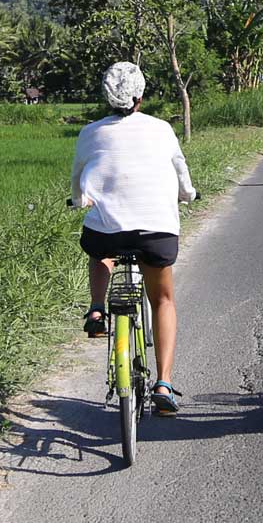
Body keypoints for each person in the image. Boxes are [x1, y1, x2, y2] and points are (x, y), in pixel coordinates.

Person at [71, 62, 198, 413]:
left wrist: (79, 199)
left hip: (108, 233)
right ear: (140, 97)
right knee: (163, 300)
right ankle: (164, 383)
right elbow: (180, 171)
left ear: (107, 98)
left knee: (100, 250)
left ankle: (97, 310)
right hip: (156, 232)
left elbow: (78, 179)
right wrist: (188, 194)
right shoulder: (162, 129)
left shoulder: (90, 132)